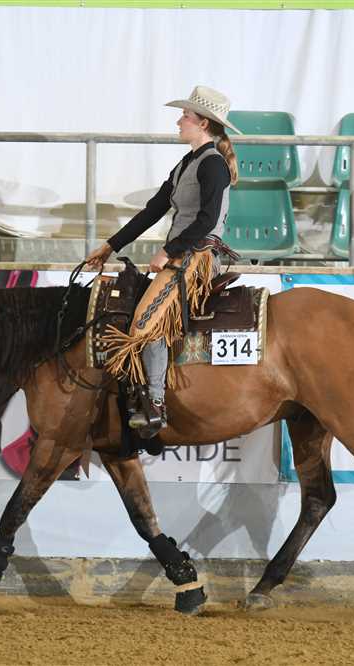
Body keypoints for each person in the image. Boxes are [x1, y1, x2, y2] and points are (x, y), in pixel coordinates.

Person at [84, 85, 240, 438]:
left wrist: (170, 250)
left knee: (147, 319)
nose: (178, 121)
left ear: (202, 123)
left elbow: (206, 220)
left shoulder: (212, 164)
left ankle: (155, 403)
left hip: (199, 257)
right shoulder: (188, 163)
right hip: (184, 254)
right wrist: (110, 246)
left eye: (185, 116)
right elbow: (152, 210)